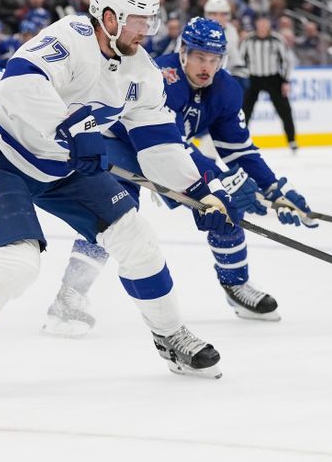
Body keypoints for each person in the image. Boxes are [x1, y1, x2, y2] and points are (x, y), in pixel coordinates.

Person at [0, 0, 239, 401]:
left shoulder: (143, 72)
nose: (149, 29)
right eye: (139, 19)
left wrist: (200, 193)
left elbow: (159, 143)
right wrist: (77, 125)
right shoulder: (69, 38)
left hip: (62, 164)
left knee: (135, 237)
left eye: (151, 18)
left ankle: (170, 336)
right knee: (16, 264)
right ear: (109, 17)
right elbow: (19, 82)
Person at [42, 17, 317, 338]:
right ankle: (69, 295)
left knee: (225, 208)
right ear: (183, 52)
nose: (207, 67)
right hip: (121, 143)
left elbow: (240, 150)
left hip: (168, 152)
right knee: (114, 214)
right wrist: (220, 181)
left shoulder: (225, 89)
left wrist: (272, 189)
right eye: (200, 57)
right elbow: (171, 143)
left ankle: (236, 285)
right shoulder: (161, 78)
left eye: (215, 60)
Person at [239, 15, 298, 152]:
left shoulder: (277, 40)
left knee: (285, 110)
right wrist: (242, 78)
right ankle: (241, 140)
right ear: (256, 23)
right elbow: (241, 60)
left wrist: (285, 80)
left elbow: (287, 61)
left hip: (273, 79)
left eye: (266, 22)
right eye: (261, 22)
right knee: (245, 111)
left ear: (270, 23)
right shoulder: (248, 41)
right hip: (253, 78)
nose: (263, 25)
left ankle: (292, 140)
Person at [203, 0, 248, 84]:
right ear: (207, 15)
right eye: (214, 14)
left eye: (222, 14)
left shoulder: (231, 31)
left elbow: (235, 58)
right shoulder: (195, 29)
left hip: (224, 73)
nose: (218, 18)